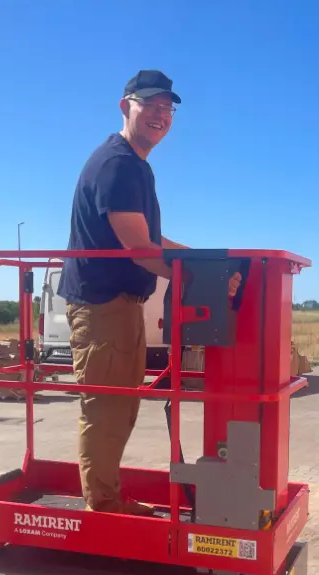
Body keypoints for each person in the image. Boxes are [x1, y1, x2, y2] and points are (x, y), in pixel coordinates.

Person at [58, 70, 240, 516]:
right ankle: (103, 503)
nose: (160, 115)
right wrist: (203, 279)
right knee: (107, 407)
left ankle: (107, 495)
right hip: (102, 305)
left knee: (120, 405)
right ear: (126, 106)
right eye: (150, 105)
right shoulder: (119, 165)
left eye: (167, 108)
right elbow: (140, 251)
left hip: (117, 305)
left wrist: (205, 260)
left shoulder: (133, 165)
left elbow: (152, 239)